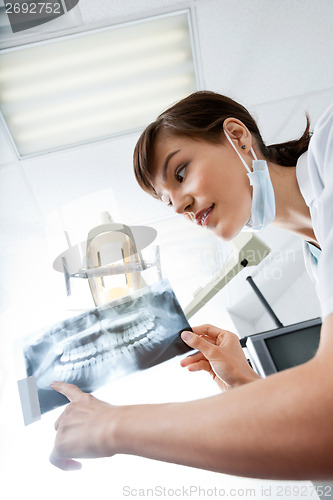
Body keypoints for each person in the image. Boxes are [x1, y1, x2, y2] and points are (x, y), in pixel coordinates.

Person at [49, 91, 333, 479]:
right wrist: (243, 382)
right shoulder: (317, 260)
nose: (180, 206)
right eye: (168, 202)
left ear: (238, 136)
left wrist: (111, 426)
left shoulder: (329, 148)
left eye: (180, 174)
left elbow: (324, 416)